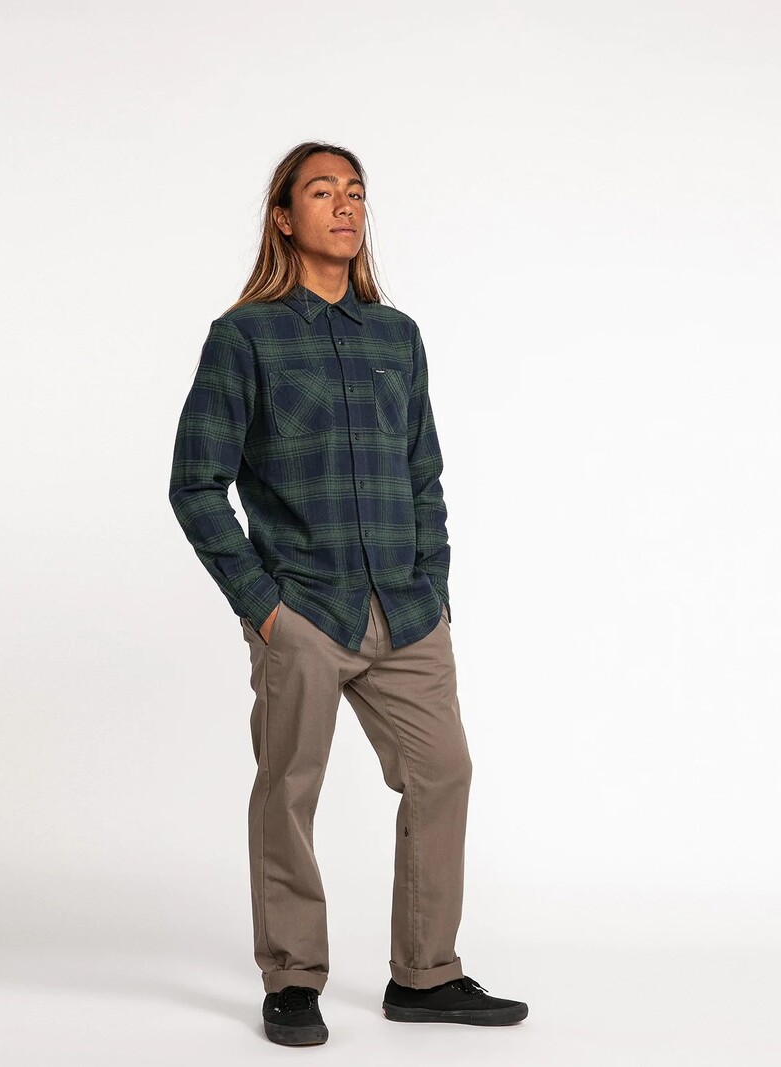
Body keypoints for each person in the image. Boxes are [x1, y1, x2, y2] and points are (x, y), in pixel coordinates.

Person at [168, 141, 528, 1046]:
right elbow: (196, 484)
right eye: (322, 191)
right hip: (305, 609)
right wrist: (263, 605)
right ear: (284, 217)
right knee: (289, 790)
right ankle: (293, 978)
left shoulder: (396, 337)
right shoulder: (244, 338)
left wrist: (434, 586)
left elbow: (424, 473)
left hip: (406, 609)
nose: (344, 205)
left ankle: (426, 974)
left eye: (356, 191)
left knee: (444, 771)